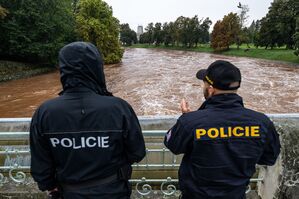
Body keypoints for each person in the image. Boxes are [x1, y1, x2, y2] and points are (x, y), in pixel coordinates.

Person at [30, 42, 146, 199]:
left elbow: (40, 166)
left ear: (63, 70)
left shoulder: (45, 112)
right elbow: (137, 152)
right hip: (113, 191)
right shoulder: (119, 108)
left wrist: (49, 185)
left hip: (68, 192)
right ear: (97, 68)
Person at [164, 60, 281, 199]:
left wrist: (187, 119)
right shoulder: (262, 123)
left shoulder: (191, 122)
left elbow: (172, 144)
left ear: (211, 89)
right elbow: (269, 158)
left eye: (204, 83)